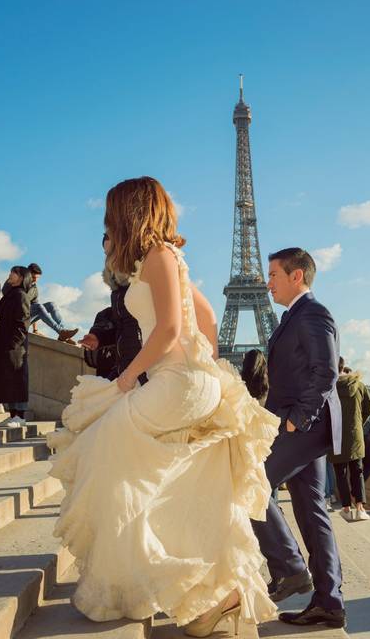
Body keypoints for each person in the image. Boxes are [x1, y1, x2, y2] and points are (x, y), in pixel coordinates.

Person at [47, 177, 278, 636]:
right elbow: (207, 318)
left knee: (106, 453)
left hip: (177, 383)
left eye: (112, 212)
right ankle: (197, 583)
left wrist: (130, 379)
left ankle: (137, 581)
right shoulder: (167, 257)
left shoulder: (159, 256)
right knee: (144, 471)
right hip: (186, 381)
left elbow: (170, 329)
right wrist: (202, 366)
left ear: (129, 212)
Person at [250, 247, 346, 629]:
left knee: (251, 482)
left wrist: (296, 420)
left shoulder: (313, 313)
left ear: (297, 276)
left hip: (304, 426)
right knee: (312, 511)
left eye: (273, 274)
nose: (267, 282)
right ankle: (329, 602)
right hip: (306, 427)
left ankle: (289, 567)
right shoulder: (294, 316)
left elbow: (326, 371)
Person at [81, 233, 144, 381]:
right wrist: (98, 336)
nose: (110, 258)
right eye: (107, 253)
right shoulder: (118, 289)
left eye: (115, 251)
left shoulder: (145, 279)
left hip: (145, 369)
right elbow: (121, 323)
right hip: (125, 368)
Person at [329, 358, 370, 522]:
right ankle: (360, 508)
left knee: (340, 473)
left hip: (336, 435)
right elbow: (369, 409)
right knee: (358, 471)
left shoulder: (329, 388)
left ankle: (346, 508)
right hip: (355, 434)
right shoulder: (359, 385)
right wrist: (358, 423)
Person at [0, 266, 32, 426]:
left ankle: (20, 417)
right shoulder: (10, 295)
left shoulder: (21, 296)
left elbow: (23, 324)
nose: (9, 275)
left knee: (17, 380)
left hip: (16, 348)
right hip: (6, 345)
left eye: (13, 273)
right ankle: (13, 415)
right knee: (8, 381)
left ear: (21, 277)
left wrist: (13, 344)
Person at [26, 262, 78, 343]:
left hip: (27, 317)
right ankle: (61, 332)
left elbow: (35, 307)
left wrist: (35, 330)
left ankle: (63, 334)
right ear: (27, 274)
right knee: (39, 306)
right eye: (33, 277)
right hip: (16, 316)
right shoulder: (18, 282)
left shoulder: (34, 289)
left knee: (51, 305)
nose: (35, 280)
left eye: (37, 278)